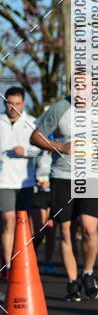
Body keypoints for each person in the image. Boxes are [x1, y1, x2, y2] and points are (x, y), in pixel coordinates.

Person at [30, 78, 98, 301]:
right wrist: (60, 146)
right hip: (63, 176)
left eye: (85, 86)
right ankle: (72, 281)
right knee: (65, 231)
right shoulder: (60, 108)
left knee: (89, 228)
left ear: (93, 87)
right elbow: (35, 136)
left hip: (91, 175)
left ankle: (88, 272)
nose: (80, 90)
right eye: (76, 86)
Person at [0, 86, 39, 274]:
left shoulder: (32, 122)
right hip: (3, 181)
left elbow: (42, 148)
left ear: (23, 104)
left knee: (23, 222)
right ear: (5, 103)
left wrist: (25, 151)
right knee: (8, 220)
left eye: (17, 104)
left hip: (25, 181)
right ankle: (8, 265)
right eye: (10, 104)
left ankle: (22, 260)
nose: (13, 108)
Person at [31, 148, 57, 274]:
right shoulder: (38, 153)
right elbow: (29, 170)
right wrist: (38, 182)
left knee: (51, 230)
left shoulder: (60, 153)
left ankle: (48, 262)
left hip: (54, 193)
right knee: (39, 231)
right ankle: (31, 256)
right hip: (39, 193)